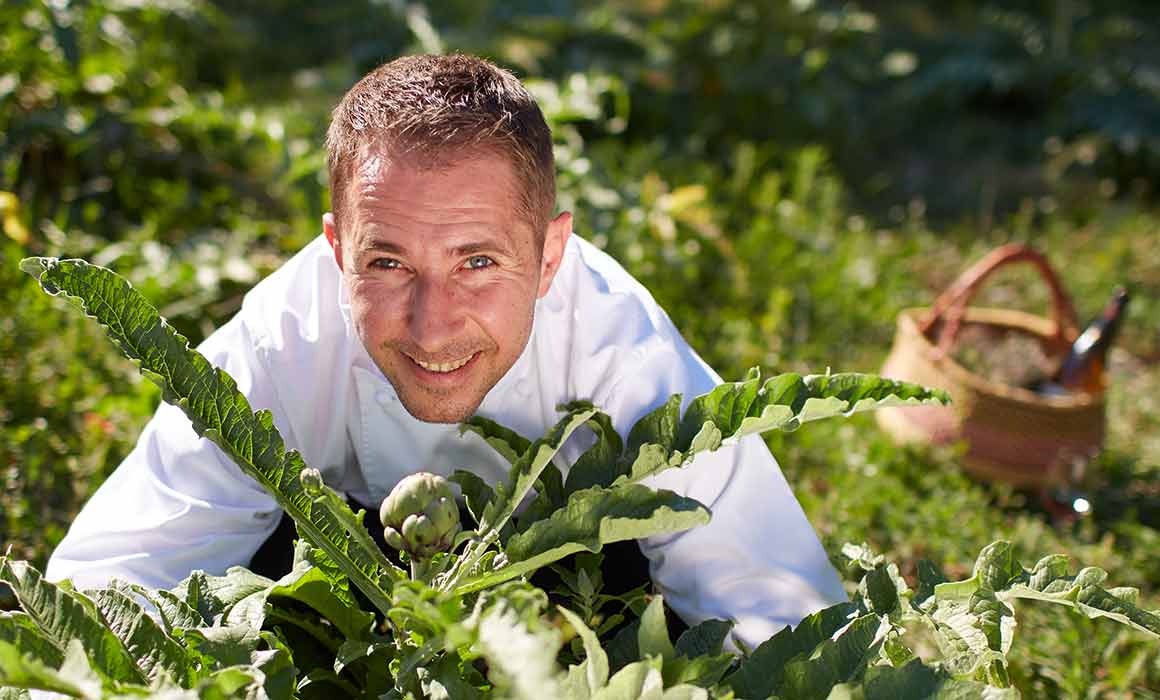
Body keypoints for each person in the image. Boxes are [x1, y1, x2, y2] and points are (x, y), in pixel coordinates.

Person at [46, 53, 845, 649]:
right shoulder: (276, 349)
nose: (432, 328)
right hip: (346, 564)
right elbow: (111, 586)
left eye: (478, 262)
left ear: (552, 255)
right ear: (335, 249)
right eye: (388, 263)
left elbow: (779, 617)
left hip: (584, 581)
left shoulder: (628, 364)